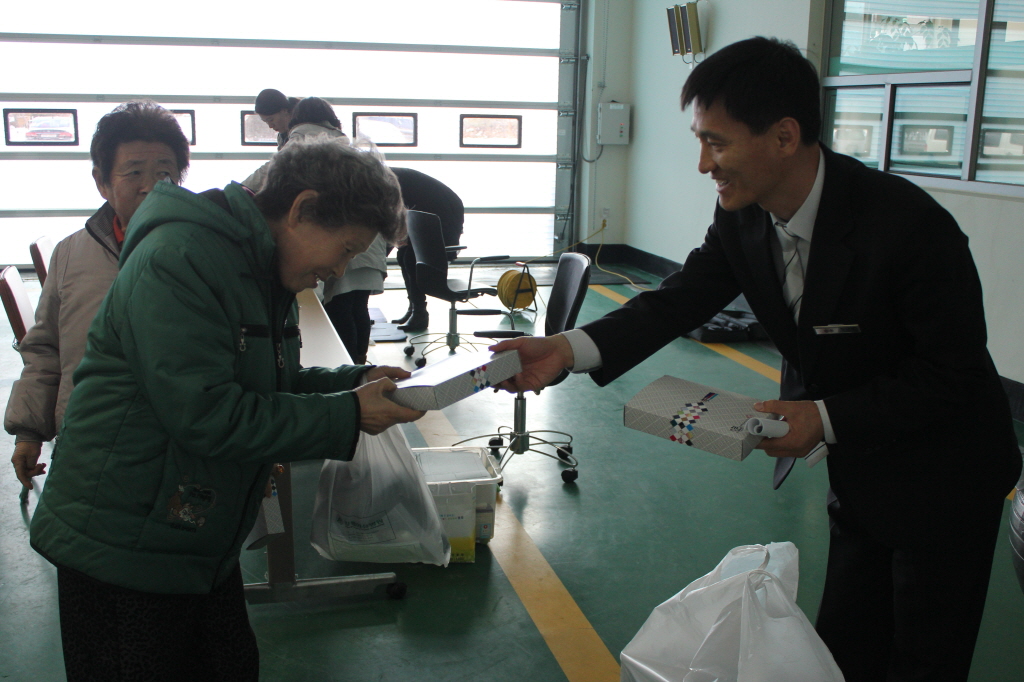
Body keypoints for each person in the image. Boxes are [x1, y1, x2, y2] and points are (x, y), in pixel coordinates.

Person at [492, 37, 1021, 682]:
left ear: (784, 136)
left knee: (925, 659)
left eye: (716, 143)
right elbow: (678, 299)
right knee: (845, 648)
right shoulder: (744, 218)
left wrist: (821, 418)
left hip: (947, 476)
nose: (703, 165)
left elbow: (953, 377)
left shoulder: (908, 227)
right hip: (860, 470)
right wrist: (565, 349)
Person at [29, 138, 425, 681]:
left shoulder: (258, 266)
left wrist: (354, 382)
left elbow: (264, 382)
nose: (338, 270)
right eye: (346, 249)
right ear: (302, 209)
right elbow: (208, 414)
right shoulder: (181, 259)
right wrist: (349, 415)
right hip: (125, 546)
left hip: (192, 539)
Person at [6, 100, 190, 493]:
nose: (152, 186)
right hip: (89, 446)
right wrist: (29, 432)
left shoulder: (205, 253)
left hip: (182, 454)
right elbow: (46, 348)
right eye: (134, 172)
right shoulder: (71, 254)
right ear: (101, 182)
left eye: (165, 172)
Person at [389, 167, 465, 331]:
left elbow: (388, 219)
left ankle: (420, 314)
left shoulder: (382, 181)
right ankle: (414, 309)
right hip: (427, 211)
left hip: (444, 213)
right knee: (403, 256)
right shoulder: (381, 177)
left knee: (410, 258)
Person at [243, 96, 348, 193]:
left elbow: (278, 163)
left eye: (271, 119)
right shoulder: (338, 135)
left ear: (285, 111)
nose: (270, 126)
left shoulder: (302, 132)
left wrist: (243, 188)